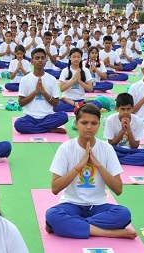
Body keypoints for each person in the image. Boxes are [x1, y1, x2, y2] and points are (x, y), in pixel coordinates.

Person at [45, 103, 138, 240]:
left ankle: (70, 226)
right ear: (76, 124)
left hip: (98, 206)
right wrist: (79, 165)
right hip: (71, 205)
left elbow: (118, 189)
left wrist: (98, 165)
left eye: (94, 123)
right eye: (84, 122)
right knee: (53, 214)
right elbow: (55, 188)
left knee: (124, 213)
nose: (89, 127)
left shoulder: (106, 149)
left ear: (99, 125)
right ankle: (109, 233)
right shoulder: (66, 148)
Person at [14, 48, 68, 134]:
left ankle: (38, 128)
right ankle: (49, 129)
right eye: (37, 58)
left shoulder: (52, 79)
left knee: (64, 116)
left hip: (47, 117)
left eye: (43, 58)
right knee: (18, 124)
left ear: (46, 61)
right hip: (30, 117)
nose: (40, 60)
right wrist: (35, 92)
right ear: (31, 61)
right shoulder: (25, 79)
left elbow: (56, 103)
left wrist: (44, 92)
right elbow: (21, 103)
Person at [104, 93, 144, 166]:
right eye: (122, 109)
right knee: (104, 150)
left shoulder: (138, 121)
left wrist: (129, 131)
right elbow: (111, 144)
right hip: (115, 149)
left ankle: (117, 159)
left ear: (132, 108)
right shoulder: (110, 120)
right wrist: (122, 131)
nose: (126, 112)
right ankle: (131, 160)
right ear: (117, 109)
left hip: (131, 151)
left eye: (128, 109)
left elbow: (135, 146)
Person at [54, 48, 102, 112]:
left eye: (78, 57)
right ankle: (80, 108)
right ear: (70, 58)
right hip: (67, 100)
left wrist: (80, 82)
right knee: (55, 107)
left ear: (81, 58)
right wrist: (74, 80)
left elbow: (90, 89)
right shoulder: (65, 71)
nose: (76, 59)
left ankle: (78, 107)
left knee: (98, 104)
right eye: (74, 57)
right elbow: (62, 89)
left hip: (80, 100)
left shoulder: (85, 70)